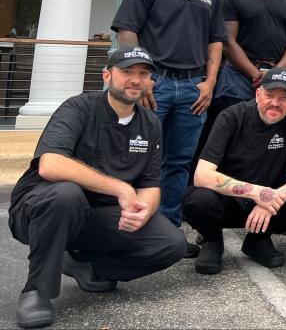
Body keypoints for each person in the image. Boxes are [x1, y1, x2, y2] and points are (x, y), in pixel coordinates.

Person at [8, 47, 186, 330]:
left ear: (151, 82)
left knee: (172, 244)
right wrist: (121, 189)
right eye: (127, 72)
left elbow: (151, 184)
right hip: (40, 208)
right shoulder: (79, 107)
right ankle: (37, 290)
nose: (136, 80)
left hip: (99, 215)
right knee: (66, 194)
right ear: (107, 75)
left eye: (143, 74)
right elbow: (50, 165)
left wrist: (143, 209)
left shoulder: (150, 123)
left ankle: (84, 264)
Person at [111, 0, 225, 236]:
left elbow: (216, 41)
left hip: (193, 89)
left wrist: (210, 82)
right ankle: (128, 227)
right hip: (155, 86)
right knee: (137, 157)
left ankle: (168, 229)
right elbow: (127, 31)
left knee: (178, 162)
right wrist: (141, 79)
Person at [183, 67, 286, 274]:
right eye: (269, 95)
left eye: (283, 97)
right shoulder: (231, 116)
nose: (275, 103)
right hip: (227, 202)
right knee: (198, 200)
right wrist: (256, 193)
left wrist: (273, 196)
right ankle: (212, 241)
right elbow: (202, 175)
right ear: (258, 93)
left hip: (268, 206)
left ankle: (258, 240)